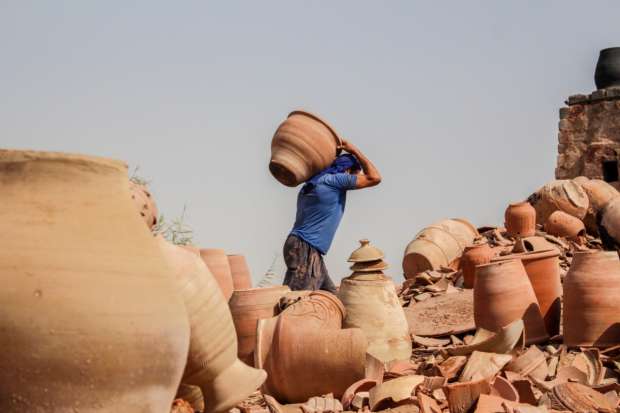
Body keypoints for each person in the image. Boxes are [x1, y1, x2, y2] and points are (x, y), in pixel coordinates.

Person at [282, 139, 382, 293]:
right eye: (356, 173)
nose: (358, 177)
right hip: (305, 248)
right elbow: (374, 178)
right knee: (300, 301)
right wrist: (354, 150)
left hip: (302, 246)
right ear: (347, 171)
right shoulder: (334, 181)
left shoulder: (314, 183)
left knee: (331, 298)